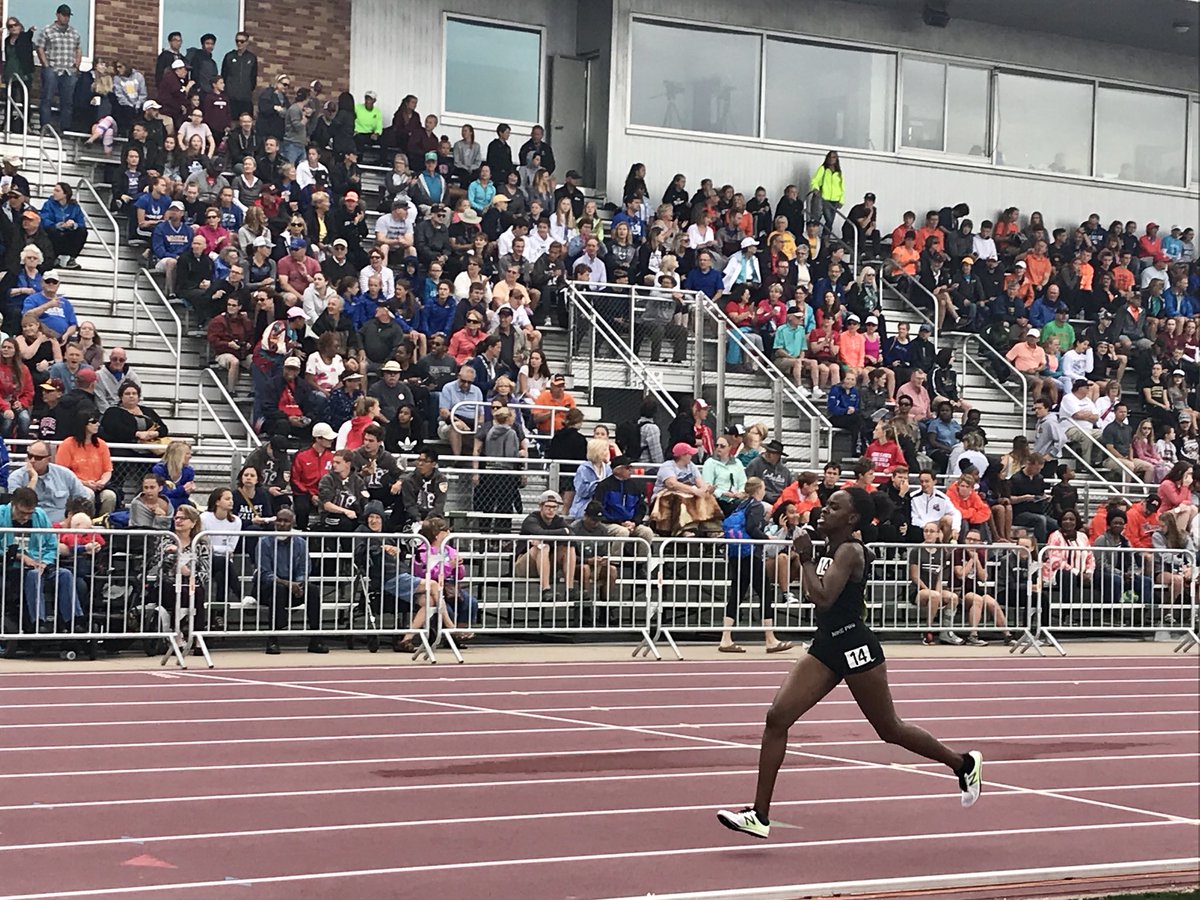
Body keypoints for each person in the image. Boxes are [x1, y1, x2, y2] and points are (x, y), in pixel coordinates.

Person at [716, 487, 982, 840]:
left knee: (890, 729)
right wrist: (808, 557)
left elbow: (823, 597)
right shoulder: (826, 546)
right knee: (777, 718)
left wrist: (806, 559)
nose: (824, 511)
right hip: (827, 645)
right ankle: (759, 815)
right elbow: (813, 590)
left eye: (834, 507)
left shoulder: (852, 552)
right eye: (825, 505)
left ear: (852, 518)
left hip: (855, 645)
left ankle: (963, 764)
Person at [718, 477, 793, 654]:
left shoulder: (741, 504)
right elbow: (752, 528)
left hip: (737, 553)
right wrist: (768, 538)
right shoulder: (756, 506)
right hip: (751, 553)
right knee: (765, 593)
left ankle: (726, 637)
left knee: (737, 592)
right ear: (759, 489)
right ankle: (770, 639)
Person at [0, 486, 80, 632]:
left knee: (65, 574)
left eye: (29, 514)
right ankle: (38, 621)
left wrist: (45, 562)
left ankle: (74, 621)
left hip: (40, 564)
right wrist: (20, 556)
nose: (25, 518)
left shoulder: (40, 515)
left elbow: (51, 545)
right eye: (22, 513)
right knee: (33, 576)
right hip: (12, 566)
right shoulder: (1, 515)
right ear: (13, 504)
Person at [255, 508, 327, 655]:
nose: (281, 524)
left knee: (312, 590)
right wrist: (288, 584)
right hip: (267, 588)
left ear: (292, 523)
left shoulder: (300, 543)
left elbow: (304, 568)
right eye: (279, 520)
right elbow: (264, 573)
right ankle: (273, 639)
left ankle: (316, 639)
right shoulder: (264, 542)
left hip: (294, 588)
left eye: (286, 521)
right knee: (278, 589)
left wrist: (299, 584)